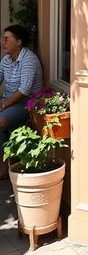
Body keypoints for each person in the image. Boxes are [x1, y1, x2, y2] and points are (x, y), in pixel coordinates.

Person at [0, 25, 43, 177]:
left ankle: (3, 169)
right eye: (3, 39)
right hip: (9, 101)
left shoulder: (28, 59)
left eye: (7, 39)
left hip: (27, 103)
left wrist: (3, 105)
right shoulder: (6, 60)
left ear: (18, 42)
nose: (3, 42)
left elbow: (24, 90)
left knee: (0, 121)